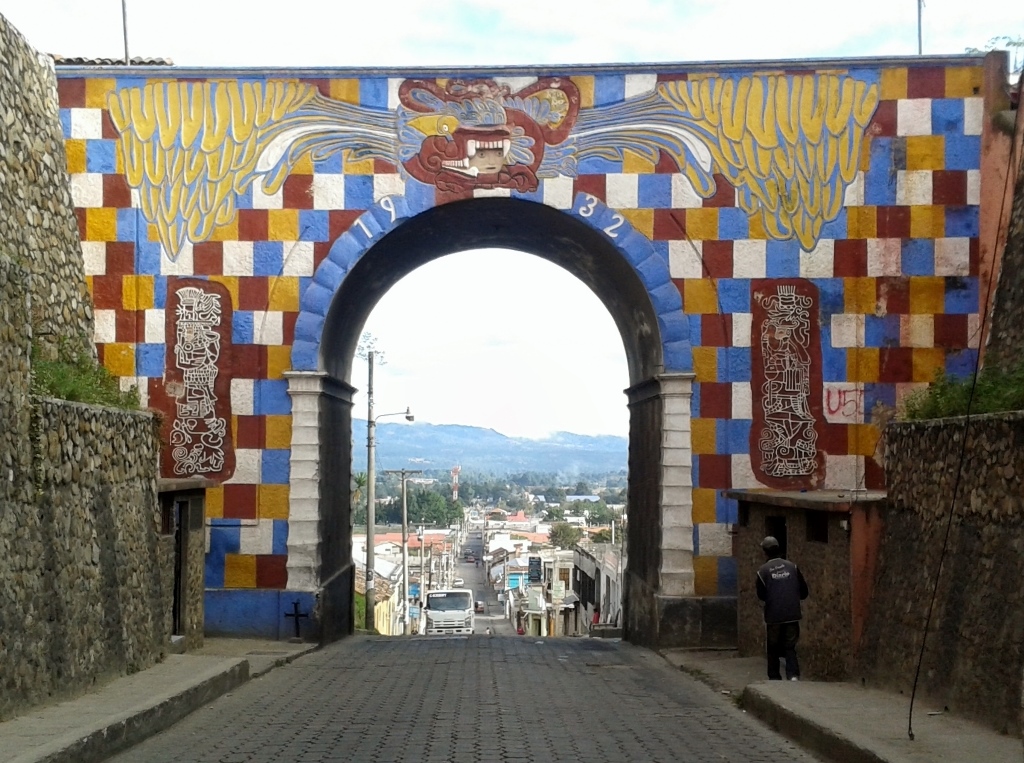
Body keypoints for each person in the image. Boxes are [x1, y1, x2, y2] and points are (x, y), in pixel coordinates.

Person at [756, 536, 809, 681]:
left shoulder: (763, 571)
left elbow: (761, 595)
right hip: (792, 613)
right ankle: (793, 675)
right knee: (790, 645)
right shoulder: (793, 567)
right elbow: (804, 592)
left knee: (773, 647)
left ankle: (774, 677)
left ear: (765, 552)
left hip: (774, 615)